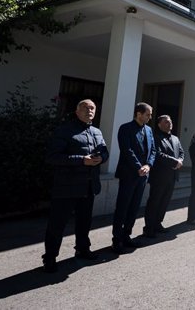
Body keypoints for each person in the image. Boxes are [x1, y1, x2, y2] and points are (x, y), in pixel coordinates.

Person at [42, 99, 108, 273]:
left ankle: (83, 249)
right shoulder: (64, 131)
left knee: (84, 222)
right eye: (85, 108)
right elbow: (52, 157)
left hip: (88, 187)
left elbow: (104, 151)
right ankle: (50, 257)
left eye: (92, 108)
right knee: (57, 224)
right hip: (66, 186)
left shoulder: (96, 131)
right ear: (77, 111)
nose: (90, 111)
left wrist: (102, 158)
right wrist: (81, 160)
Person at [111, 102, 156, 254]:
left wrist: (148, 165)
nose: (150, 117)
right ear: (138, 113)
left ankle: (126, 236)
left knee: (134, 207)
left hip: (143, 176)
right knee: (122, 207)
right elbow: (126, 150)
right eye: (148, 114)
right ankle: (116, 240)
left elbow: (153, 150)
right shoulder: (125, 128)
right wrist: (139, 167)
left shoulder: (149, 130)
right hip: (129, 174)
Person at [143, 115, 184, 236]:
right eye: (166, 122)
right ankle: (149, 227)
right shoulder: (155, 137)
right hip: (159, 176)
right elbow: (158, 154)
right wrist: (174, 161)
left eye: (170, 122)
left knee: (165, 201)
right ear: (159, 124)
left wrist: (180, 161)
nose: (169, 124)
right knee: (154, 202)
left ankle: (158, 223)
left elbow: (181, 152)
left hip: (172, 176)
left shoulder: (176, 138)